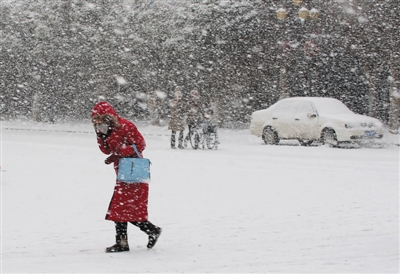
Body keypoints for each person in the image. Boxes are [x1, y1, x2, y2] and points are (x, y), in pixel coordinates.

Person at [91, 101, 162, 253]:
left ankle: (142, 234)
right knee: (122, 209)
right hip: (123, 173)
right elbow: (105, 150)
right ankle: (144, 233)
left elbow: (140, 144)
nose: (99, 123)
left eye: (101, 119)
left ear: (109, 117)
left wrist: (119, 153)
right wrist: (101, 137)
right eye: (96, 121)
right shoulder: (106, 130)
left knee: (122, 209)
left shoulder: (125, 126)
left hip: (134, 171)